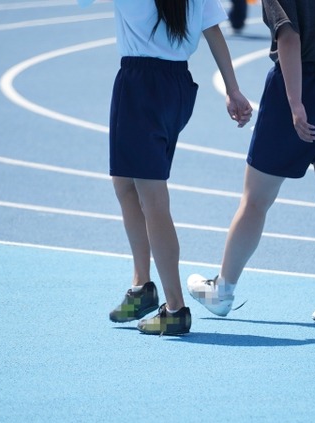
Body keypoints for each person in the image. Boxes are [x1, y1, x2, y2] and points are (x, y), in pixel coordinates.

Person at [187, 0, 315, 325]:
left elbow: (289, 36)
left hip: (299, 87)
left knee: (255, 199)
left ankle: (223, 290)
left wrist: (296, 104)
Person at [77, 0, 252, 335]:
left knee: (153, 199)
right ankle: (142, 285)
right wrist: (232, 89)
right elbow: (213, 30)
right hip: (176, 84)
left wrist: (233, 90)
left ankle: (175, 308)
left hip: (140, 86)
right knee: (124, 182)